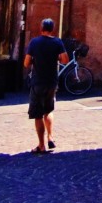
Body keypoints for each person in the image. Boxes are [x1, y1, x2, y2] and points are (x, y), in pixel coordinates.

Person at [23, 18, 68, 154]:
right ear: (52, 29)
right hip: (52, 82)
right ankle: (50, 136)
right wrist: (56, 58)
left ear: (41, 28)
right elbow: (65, 60)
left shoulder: (34, 42)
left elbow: (26, 63)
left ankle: (41, 145)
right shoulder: (57, 42)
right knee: (48, 111)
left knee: (38, 114)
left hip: (37, 82)